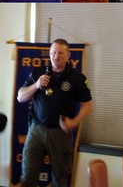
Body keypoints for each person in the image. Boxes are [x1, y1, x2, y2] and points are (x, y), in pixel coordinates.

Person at [17, 39, 92, 187]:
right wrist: (37, 85)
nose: (56, 56)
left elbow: (87, 106)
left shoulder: (77, 78)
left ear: (68, 55)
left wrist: (74, 123)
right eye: (53, 52)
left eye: (60, 53)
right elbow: (20, 97)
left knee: (60, 179)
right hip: (36, 131)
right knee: (27, 177)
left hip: (60, 133)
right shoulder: (38, 72)